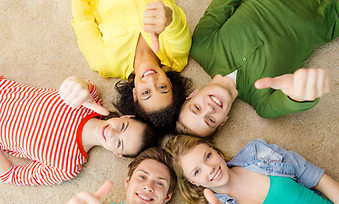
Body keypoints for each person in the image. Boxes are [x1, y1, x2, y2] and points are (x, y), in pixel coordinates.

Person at [177, 0, 338, 137]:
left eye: (197, 107)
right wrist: (298, 93)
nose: (209, 109)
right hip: (330, 14)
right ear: (223, 122)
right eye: (210, 120)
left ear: (192, 95)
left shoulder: (201, 47)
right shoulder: (264, 105)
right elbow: (292, 100)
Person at [165, 135, 339, 204]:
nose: (209, 168)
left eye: (208, 156)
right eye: (196, 171)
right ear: (193, 182)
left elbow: (318, 179)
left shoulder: (259, 153)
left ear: (214, 150)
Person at [0, 76, 158, 185]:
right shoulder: (90, 99)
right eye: (123, 127)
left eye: (118, 143)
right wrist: (77, 86)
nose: (111, 132)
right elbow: (74, 84)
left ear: (118, 154)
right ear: (127, 116)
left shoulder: (67, 167)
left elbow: (10, 175)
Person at [71, 0, 192, 130]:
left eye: (146, 92)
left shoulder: (104, 62)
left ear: (135, 94)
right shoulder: (176, 55)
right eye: (162, 87)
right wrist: (168, 16)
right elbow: (176, 25)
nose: (151, 80)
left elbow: (82, 22)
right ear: (170, 82)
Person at [50, 147, 190, 204]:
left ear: (167, 197)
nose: (148, 187)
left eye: (160, 183)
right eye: (142, 177)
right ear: (127, 182)